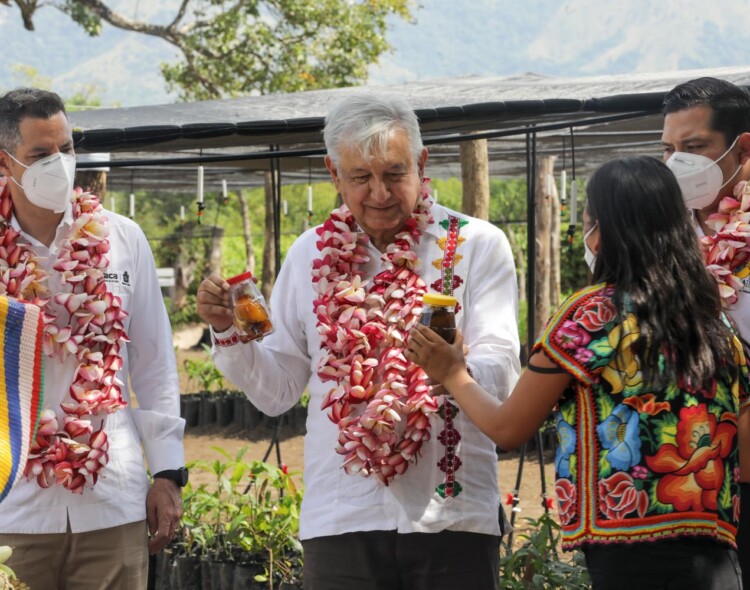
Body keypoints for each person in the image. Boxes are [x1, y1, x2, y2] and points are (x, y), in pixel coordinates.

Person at [196, 93, 520, 590]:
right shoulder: (308, 255)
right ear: (333, 173)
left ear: (422, 162)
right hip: (342, 515)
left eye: (394, 174)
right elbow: (277, 390)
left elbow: (501, 372)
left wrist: (448, 370)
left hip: (451, 514)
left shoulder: (476, 244)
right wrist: (227, 332)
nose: (380, 193)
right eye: (360, 178)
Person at [406, 156, 749, 590]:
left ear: (603, 230)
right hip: (717, 562)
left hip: (629, 563)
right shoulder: (716, 325)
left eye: (588, 219)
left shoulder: (592, 314)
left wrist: (453, 372)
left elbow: (508, 428)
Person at [0, 87, 187, 589]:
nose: (59, 165)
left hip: (110, 498)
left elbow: (153, 361)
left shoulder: (121, 238)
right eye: (41, 155)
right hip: (10, 506)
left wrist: (168, 472)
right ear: (5, 162)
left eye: (66, 149)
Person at [661, 77, 750, 587]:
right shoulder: (664, 237)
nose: (678, 164)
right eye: (668, 150)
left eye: (694, 148)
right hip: (693, 475)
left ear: (743, 149)